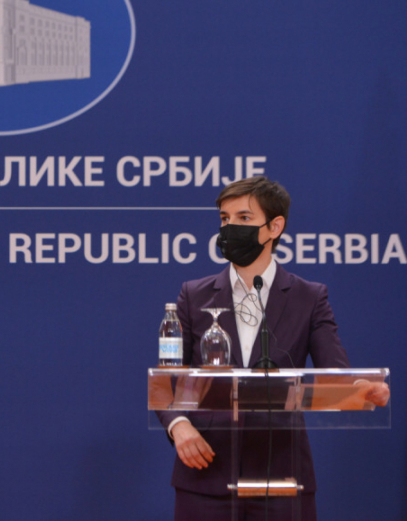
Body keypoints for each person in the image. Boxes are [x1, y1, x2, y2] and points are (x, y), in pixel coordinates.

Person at [160, 176, 389, 521]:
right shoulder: (194, 295)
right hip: (206, 471)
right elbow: (167, 378)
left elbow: (335, 371)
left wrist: (361, 389)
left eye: (244, 218)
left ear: (274, 227)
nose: (230, 227)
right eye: (224, 218)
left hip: (282, 476)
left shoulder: (309, 297)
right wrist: (179, 425)